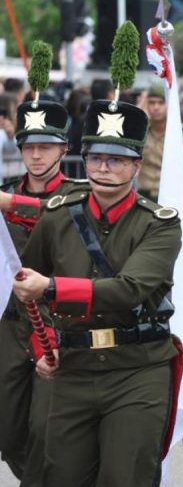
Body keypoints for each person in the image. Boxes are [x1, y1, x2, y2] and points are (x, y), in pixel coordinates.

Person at [12, 88, 182, 486]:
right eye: (96, 157)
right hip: (73, 369)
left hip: (137, 369)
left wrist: (50, 288)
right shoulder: (56, 216)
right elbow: (23, 286)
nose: (104, 167)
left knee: (127, 476)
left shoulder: (159, 223)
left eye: (118, 159)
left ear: (137, 165)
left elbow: (130, 288)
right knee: (62, 476)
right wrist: (42, 344)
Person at [0, 85, 89, 484]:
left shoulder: (83, 195)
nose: (36, 155)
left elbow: (61, 215)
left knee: (45, 430)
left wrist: (11, 206)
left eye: (46, 147)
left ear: (63, 148)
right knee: (8, 429)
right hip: (10, 325)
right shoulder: (7, 193)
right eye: (28, 146)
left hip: (59, 325)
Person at [137, 83, 183, 200]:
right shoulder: (139, 133)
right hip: (143, 197)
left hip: (172, 199)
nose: (156, 107)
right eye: (151, 103)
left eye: (161, 103)